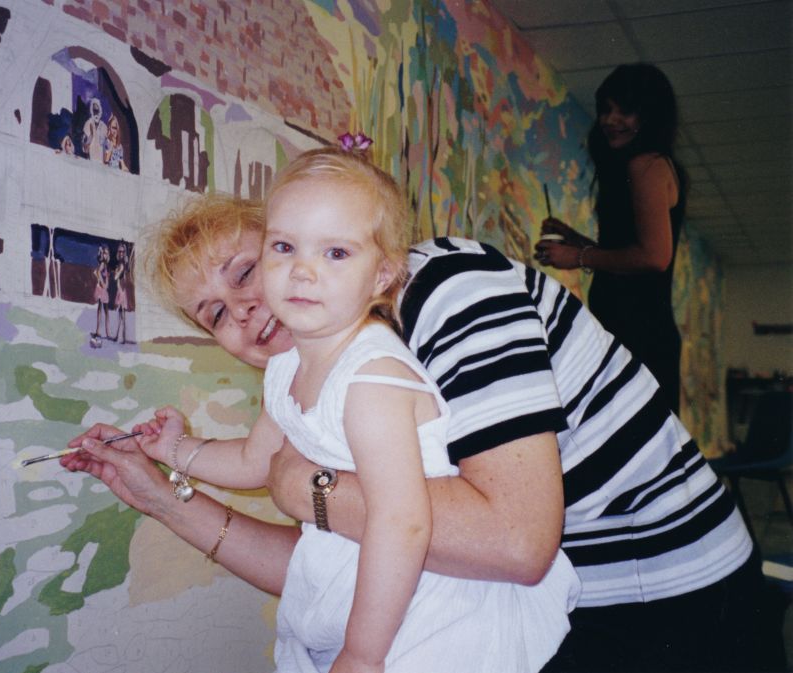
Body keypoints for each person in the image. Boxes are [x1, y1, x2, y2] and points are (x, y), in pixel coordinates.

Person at [64, 174, 783, 671]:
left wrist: (303, 486)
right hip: (519, 594)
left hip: (668, 597)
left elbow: (511, 541)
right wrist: (166, 477)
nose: (246, 308)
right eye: (214, 314)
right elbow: (339, 557)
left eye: (249, 270)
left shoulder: (446, 294)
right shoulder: (303, 366)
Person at [129, 147, 579, 672]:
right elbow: (255, 460)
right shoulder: (286, 370)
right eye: (216, 315)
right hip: (368, 599)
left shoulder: (371, 378)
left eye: (333, 254)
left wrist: (363, 655)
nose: (299, 274)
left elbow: (401, 521)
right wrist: (176, 449)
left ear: (383, 274)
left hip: (438, 613)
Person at [534, 63, 686, 412]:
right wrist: (575, 240)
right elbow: (629, 252)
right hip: (639, 327)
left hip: (641, 331)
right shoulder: (646, 165)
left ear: (650, 116)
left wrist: (578, 257)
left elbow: (653, 257)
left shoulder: (646, 165)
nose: (610, 120)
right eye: (606, 109)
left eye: (625, 111)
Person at [92, 244, 110, 340]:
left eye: (106, 253)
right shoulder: (102, 264)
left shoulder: (104, 264)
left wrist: (105, 284)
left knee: (102, 310)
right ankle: (104, 331)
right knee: (103, 310)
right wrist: (103, 284)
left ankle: (100, 331)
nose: (104, 255)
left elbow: (99, 273)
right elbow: (98, 272)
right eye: (103, 253)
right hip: (101, 289)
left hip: (102, 289)